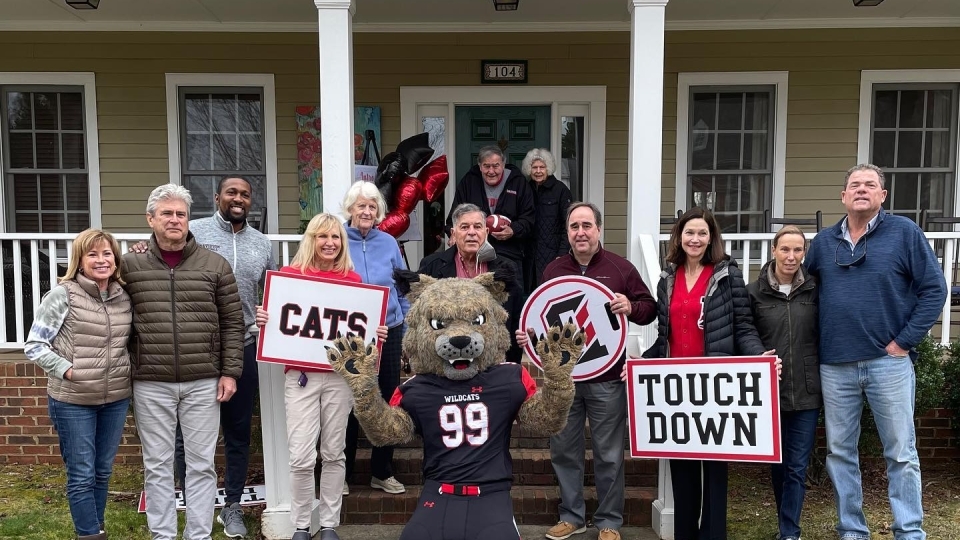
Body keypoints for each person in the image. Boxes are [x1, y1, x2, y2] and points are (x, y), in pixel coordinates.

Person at [804, 163, 947, 540]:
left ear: (883, 196)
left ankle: (909, 531)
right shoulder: (822, 244)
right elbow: (803, 297)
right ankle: (851, 530)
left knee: (900, 453)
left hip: (889, 363)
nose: (862, 189)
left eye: (870, 185)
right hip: (835, 365)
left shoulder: (904, 233)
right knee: (840, 453)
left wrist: (904, 342)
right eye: (855, 185)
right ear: (844, 196)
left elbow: (934, 289)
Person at [517, 202, 656, 540]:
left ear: (599, 229)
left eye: (587, 225)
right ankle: (572, 516)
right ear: (567, 232)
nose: (581, 232)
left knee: (609, 453)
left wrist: (631, 306)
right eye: (574, 226)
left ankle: (609, 522)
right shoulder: (553, 270)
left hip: (607, 379)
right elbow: (540, 318)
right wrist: (529, 336)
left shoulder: (620, 268)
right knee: (564, 450)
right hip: (562, 382)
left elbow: (650, 309)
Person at [122, 183, 245, 540]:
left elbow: (232, 323)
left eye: (181, 214)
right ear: (151, 219)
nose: (175, 220)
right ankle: (162, 534)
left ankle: (199, 535)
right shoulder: (130, 265)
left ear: (189, 220)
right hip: (150, 380)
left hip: (204, 381)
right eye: (167, 214)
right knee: (158, 466)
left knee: (201, 465)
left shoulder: (214, 264)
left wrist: (230, 372)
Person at [255, 213, 388, 540]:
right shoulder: (290, 277)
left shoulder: (353, 281)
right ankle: (301, 524)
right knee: (301, 456)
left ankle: (329, 524)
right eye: (322, 236)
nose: (329, 243)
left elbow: (362, 330)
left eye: (336, 237)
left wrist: (376, 331)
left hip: (339, 378)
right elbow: (281, 325)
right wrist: (265, 319)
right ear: (311, 240)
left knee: (333, 452)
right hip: (301, 377)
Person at [640, 207, 769, 540]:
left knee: (714, 472)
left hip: (714, 386)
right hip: (677, 389)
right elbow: (664, 334)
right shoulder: (667, 278)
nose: (694, 239)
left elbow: (742, 324)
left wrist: (759, 356)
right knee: (681, 472)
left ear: (711, 238)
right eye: (688, 233)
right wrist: (640, 365)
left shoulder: (727, 275)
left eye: (701, 233)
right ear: (679, 237)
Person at [24, 229, 133, 540]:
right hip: (72, 400)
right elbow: (35, 345)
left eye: (107, 253)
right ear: (80, 260)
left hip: (114, 398)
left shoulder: (123, 296)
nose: (101, 260)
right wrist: (69, 371)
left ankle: (95, 529)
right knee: (82, 474)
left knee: (102, 472)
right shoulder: (62, 294)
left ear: (115, 259)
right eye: (93, 254)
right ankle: (89, 534)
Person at [747, 225, 821, 540]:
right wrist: (758, 355)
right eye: (785, 249)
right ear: (774, 251)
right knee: (777, 464)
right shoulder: (754, 292)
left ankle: (789, 531)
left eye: (798, 250)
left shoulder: (816, 289)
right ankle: (784, 523)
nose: (791, 257)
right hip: (769, 389)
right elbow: (745, 332)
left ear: (804, 253)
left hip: (807, 389)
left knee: (796, 465)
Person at [340, 181, 409, 496]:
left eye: (372, 206)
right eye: (361, 206)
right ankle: (342, 472)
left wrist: (406, 328)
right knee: (349, 401)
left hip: (389, 331)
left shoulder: (389, 243)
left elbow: (403, 288)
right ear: (350, 209)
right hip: (349, 335)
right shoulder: (336, 239)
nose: (366, 211)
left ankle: (382, 471)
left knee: (386, 399)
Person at [422, 203, 524, 363]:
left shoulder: (506, 269)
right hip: (446, 361)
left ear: (486, 232)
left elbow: (516, 319)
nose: (472, 232)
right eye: (464, 227)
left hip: (494, 363)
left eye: (477, 227)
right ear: (453, 234)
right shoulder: (431, 267)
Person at [445, 146, 535, 280]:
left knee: (509, 298)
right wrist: (453, 233)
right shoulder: (469, 182)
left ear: (503, 165)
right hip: (474, 256)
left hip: (509, 254)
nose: (491, 171)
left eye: (496, 166)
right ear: (480, 166)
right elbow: (454, 218)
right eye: (486, 166)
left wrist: (513, 230)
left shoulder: (518, 182)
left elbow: (529, 219)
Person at [521, 148, 572, 292]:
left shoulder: (561, 190)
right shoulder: (525, 189)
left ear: (548, 168)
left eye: (542, 167)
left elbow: (568, 225)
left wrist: (562, 254)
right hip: (528, 256)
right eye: (534, 167)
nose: (538, 171)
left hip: (552, 254)